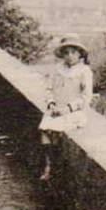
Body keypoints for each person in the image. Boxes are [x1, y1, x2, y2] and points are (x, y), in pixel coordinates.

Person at [38, 34, 94, 181]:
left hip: (73, 111)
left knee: (55, 131)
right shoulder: (58, 70)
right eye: (66, 52)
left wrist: (67, 109)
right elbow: (49, 89)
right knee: (44, 130)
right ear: (62, 54)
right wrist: (51, 103)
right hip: (56, 108)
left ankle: (56, 167)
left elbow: (85, 97)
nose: (70, 56)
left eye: (73, 52)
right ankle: (48, 165)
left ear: (79, 54)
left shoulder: (84, 72)